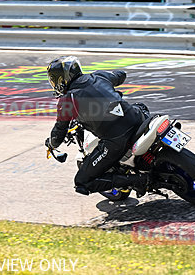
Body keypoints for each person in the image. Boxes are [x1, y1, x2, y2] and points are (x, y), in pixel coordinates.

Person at [44, 56, 151, 197]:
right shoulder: (97, 76)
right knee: (140, 106)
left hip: (116, 139)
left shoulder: (67, 100)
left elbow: (59, 131)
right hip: (137, 118)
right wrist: (111, 76)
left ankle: (140, 180)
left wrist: (51, 144)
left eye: (54, 79)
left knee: (82, 182)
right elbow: (120, 75)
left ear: (61, 79)